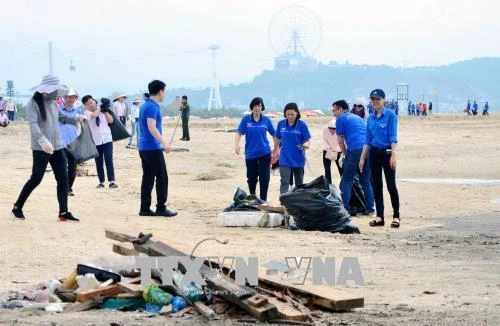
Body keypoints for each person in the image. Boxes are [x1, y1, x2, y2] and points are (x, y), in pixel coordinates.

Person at [11, 75, 85, 221]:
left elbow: (63, 117)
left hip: (57, 146)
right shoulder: (33, 104)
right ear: (45, 90)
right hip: (41, 148)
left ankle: (63, 212)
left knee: (63, 179)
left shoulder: (53, 103)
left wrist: (77, 118)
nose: (56, 94)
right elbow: (33, 124)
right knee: (36, 179)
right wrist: (43, 141)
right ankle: (17, 207)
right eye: (54, 91)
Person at [360, 89, 400, 228]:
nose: (375, 101)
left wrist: (394, 155)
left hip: (387, 153)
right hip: (374, 154)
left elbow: (393, 137)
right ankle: (380, 216)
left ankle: (396, 216)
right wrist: (362, 159)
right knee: (377, 186)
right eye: (373, 99)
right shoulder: (370, 118)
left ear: (384, 100)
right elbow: (368, 140)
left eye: (378, 99)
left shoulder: (391, 116)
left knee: (391, 186)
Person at [138, 80, 177, 217]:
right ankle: (161, 207)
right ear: (160, 91)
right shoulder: (152, 106)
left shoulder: (145, 105)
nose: (165, 94)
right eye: (164, 91)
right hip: (151, 147)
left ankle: (144, 208)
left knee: (148, 177)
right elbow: (151, 126)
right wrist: (164, 143)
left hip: (143, 146)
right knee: (162, 177)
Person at [333, 100, 375, 216]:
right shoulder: (357, 118)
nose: (333, 113)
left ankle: (344, 208)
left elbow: (340, 142)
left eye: (334, 110)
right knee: (365, 180)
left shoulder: (340, 120)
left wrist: (345, 155)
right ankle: (370, 209)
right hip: (369, 148)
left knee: (347, 179)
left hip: (356, 149)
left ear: (341, 109)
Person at [235, 97, 276, 201]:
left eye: (259, 106)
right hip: (250, 153)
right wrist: (237, 145)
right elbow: (239, 133)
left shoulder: (266, 120)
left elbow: (275, 135)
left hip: (264, 153)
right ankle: (252, 197)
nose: (257, 108)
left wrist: (276, 149)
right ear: (252, 107)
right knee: (252, 178)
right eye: (255, 106)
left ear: (262, 107)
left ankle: (263, 200)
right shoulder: (246, 120)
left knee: (264, 177)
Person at [274, 103, 311, 195]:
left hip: (298, 158)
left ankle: (297, 202)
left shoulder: (302, 125)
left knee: (299, 184)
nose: (290, 116)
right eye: (288, 114)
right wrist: (275, 150)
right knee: (284, 182)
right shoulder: (281, 124)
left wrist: (305, 145)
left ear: (297, 113)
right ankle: (283, 202)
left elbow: (307, 139)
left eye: (292, 114)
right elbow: (277, 138)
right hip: (284, 158)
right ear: (285, 114)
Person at [83, 96, 118, 189]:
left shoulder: (103, 110)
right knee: (99, 161)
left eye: (91, 102)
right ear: (85, 106)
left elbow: (111, 120)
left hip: (107, 139)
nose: (90, 104)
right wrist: (100, 108)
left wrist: (105, 111)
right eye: (88, 103)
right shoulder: (86, 113)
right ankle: (101, 182)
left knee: (108, 159)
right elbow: (93, 116)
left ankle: (112, 181)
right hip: (96, 140)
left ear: (95, 101)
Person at [59, 89, 82, 196]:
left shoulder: (78, 111)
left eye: (73, 97)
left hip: (74, 141)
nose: (71, 99)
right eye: (68, 97)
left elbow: (83, 126)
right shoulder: (58, 110)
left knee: (73, 166)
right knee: (62, 167)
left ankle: (69, 188)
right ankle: (64, 187)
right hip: (61, 142)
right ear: (64, 98)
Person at [322, 118, 342, 184]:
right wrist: (329, 149)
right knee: (327, 168)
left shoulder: (340, 130)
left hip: (338, 151)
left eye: (334, 129)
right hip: (327, 150)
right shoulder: (325, 129)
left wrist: (335, 150)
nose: (332, 130)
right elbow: (324, 140)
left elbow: (341, 142)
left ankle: (343, 183)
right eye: (331, 128)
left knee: (341, 168)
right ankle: (328, 184)